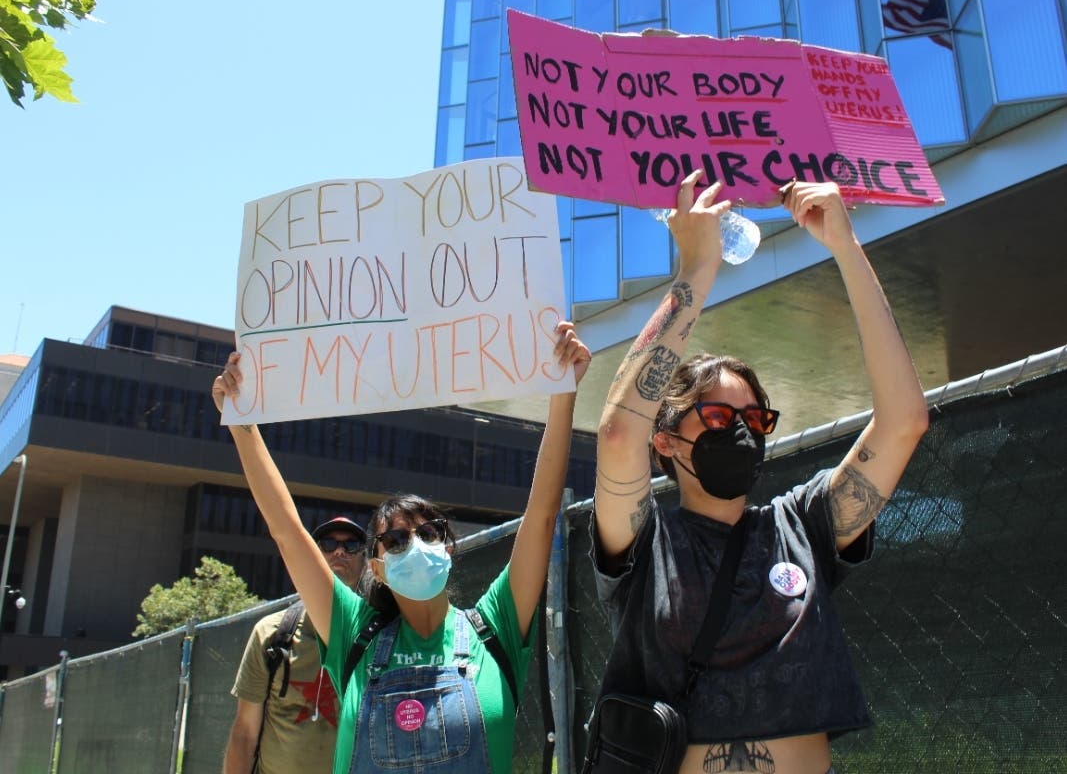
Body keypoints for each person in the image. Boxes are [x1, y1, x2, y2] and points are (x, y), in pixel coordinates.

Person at [592, 172, 929, 774]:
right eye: (719, 416)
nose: (740, 430)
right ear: (666, 439)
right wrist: (696, 268)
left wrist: (846, 248)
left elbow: (904, 421)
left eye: (755, 417)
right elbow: (619, 433)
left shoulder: (804, 524)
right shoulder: (647, 543)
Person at [212, 320, 591, 774]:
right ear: (378, 565)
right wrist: (242, 425)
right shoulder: (353, 633)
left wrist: (563, 392)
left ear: (448, 549)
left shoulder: (496, 627)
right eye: (395, 540)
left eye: (429, 533)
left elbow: (543, 514)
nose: (415, 545)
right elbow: (287, 531)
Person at [222, 516, 366, 774]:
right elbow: (244, 733)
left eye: (352, 545)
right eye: (328, 544)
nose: (340, 551)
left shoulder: (379, 635)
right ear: (312, 555)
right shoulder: (272, 633)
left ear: (365, 561)